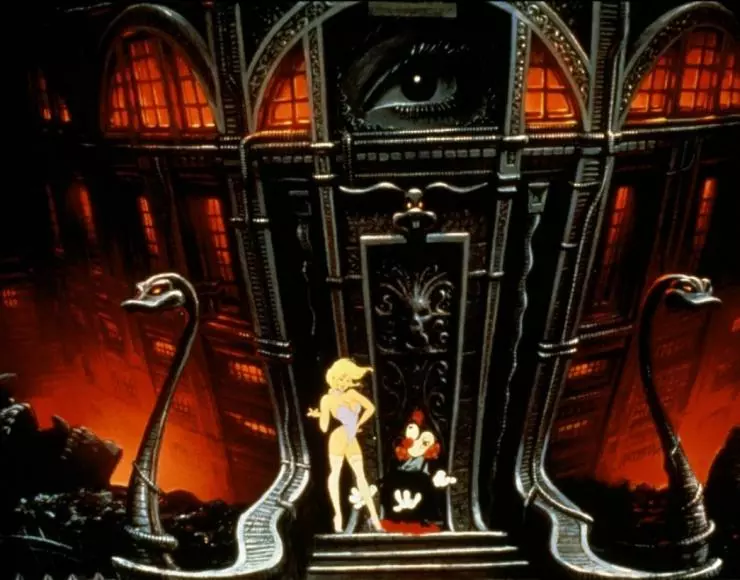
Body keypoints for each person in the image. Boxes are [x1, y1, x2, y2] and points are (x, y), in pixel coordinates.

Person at [307, 358, 382, 532]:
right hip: (338, 438)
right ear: (333, 377)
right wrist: (320, 414)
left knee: (361, 477)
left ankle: (374, 517)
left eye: (347, 379)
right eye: (340, 379)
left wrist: (357, 424)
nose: (343, 383)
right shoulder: (326, 399)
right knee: (336, 473)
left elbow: (370, 408)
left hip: (351, 437)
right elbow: (324, 428)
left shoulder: (352, 394)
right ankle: (338, 515)